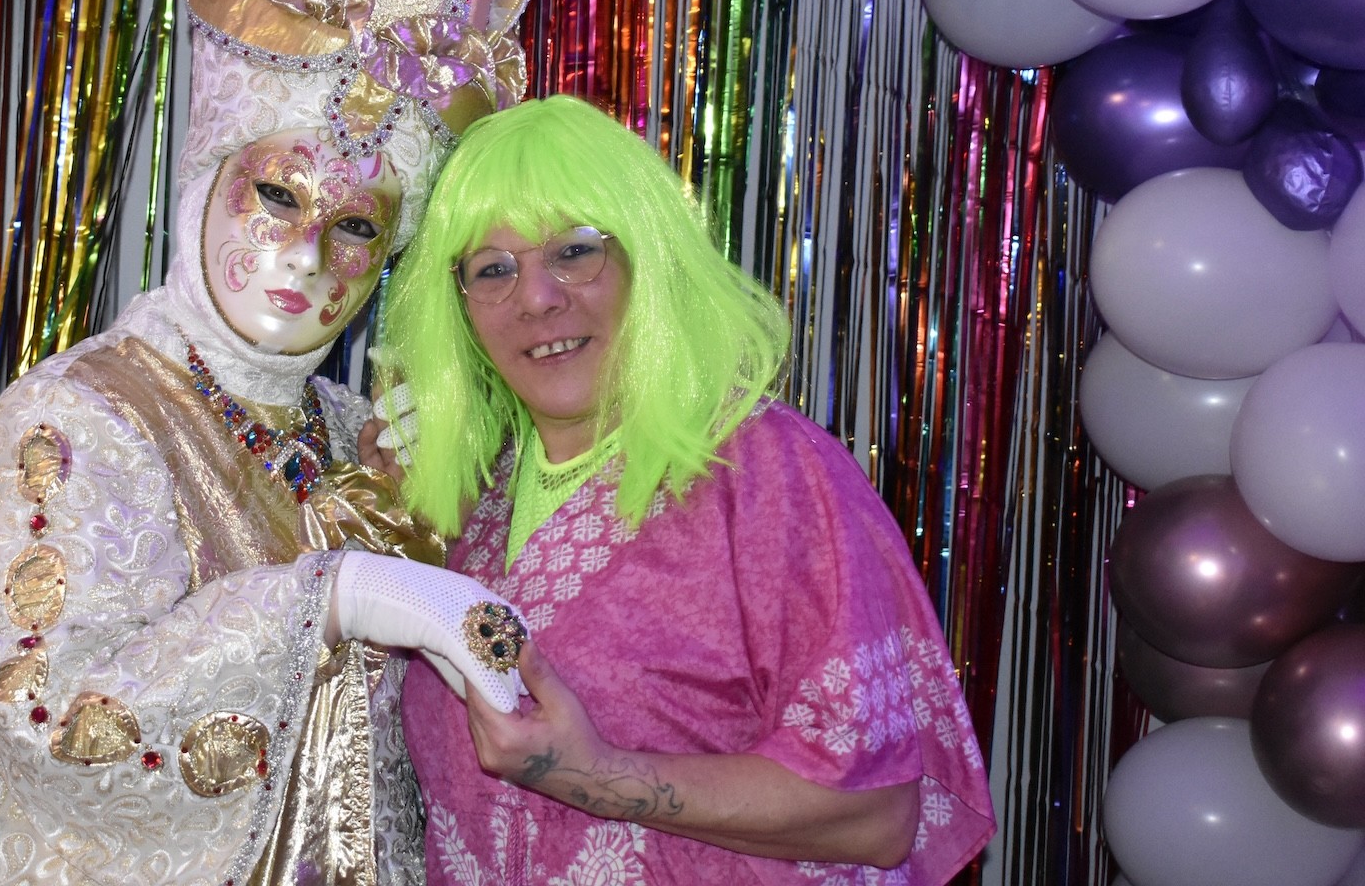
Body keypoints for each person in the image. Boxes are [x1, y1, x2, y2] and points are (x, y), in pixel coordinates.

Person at [0, 0, 561, 886]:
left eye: (356, 228)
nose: (308, 256)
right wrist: (329, 596)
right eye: (279, 196)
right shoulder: (76, 420)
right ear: (208, 179)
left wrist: (441, 505)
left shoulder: (350, 428)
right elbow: (44, 713)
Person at [372, 94, 996, 885]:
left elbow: (876, 814)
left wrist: (597, 774)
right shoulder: (473, 501)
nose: (536, 298)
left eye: (574, 251)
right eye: (492, 269)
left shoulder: (768, 470)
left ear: (650, 259)